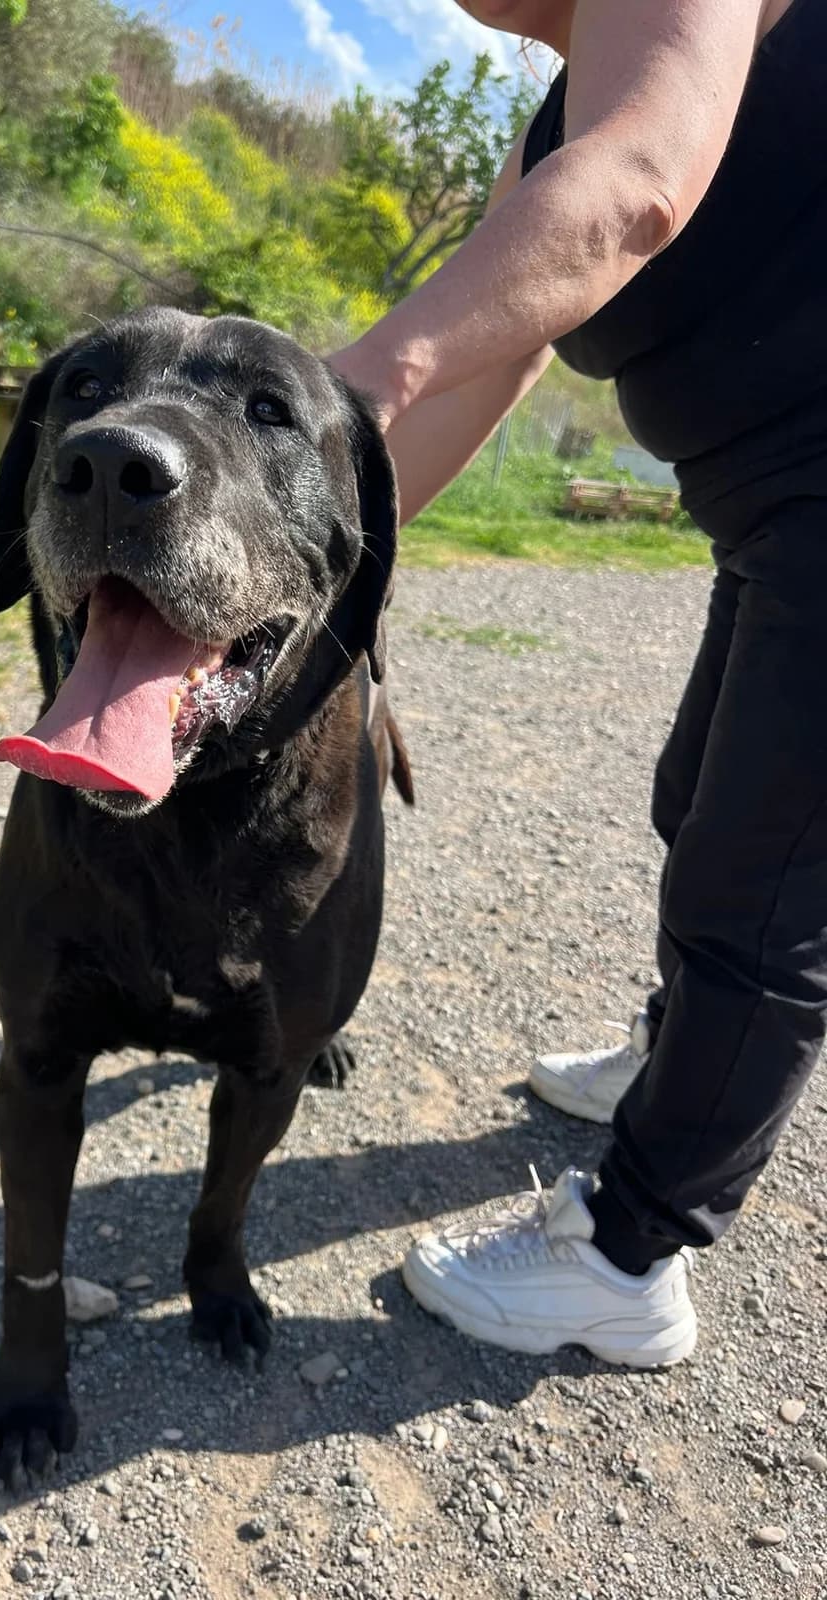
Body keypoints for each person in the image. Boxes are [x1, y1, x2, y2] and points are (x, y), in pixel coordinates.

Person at [330, 0, 827, 1367]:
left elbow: (636, 190)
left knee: (763, 892)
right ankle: (680, 1063)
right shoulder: (551, 126)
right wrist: (319, 551)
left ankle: (631, 1257)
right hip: (773, 515)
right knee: (698, 803)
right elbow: (495, 351)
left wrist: (360, 375)